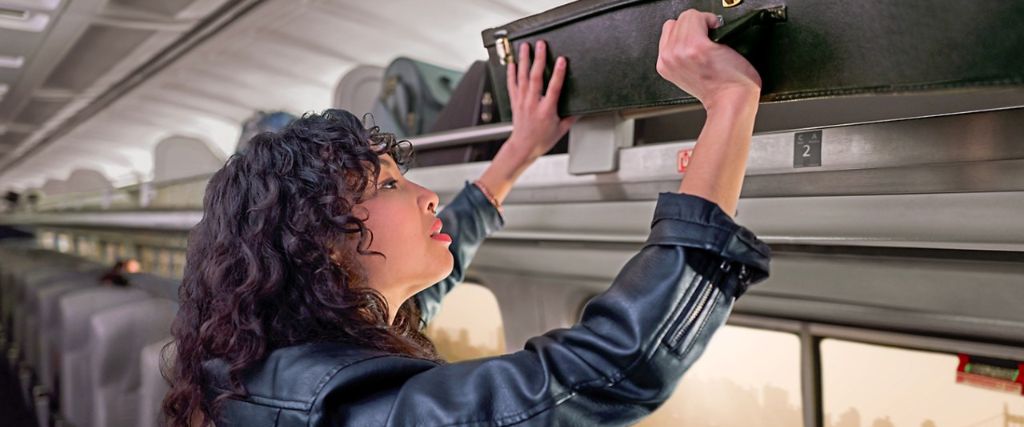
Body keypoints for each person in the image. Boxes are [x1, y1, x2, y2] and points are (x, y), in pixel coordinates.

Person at [163, 9, 770, 426]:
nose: (427, 195)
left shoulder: (273, 364)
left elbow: (438, 273)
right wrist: (729, 104)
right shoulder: (354, 408)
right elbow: (609, 365)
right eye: (390, 184)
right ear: (321, 241)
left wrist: (520, 150)